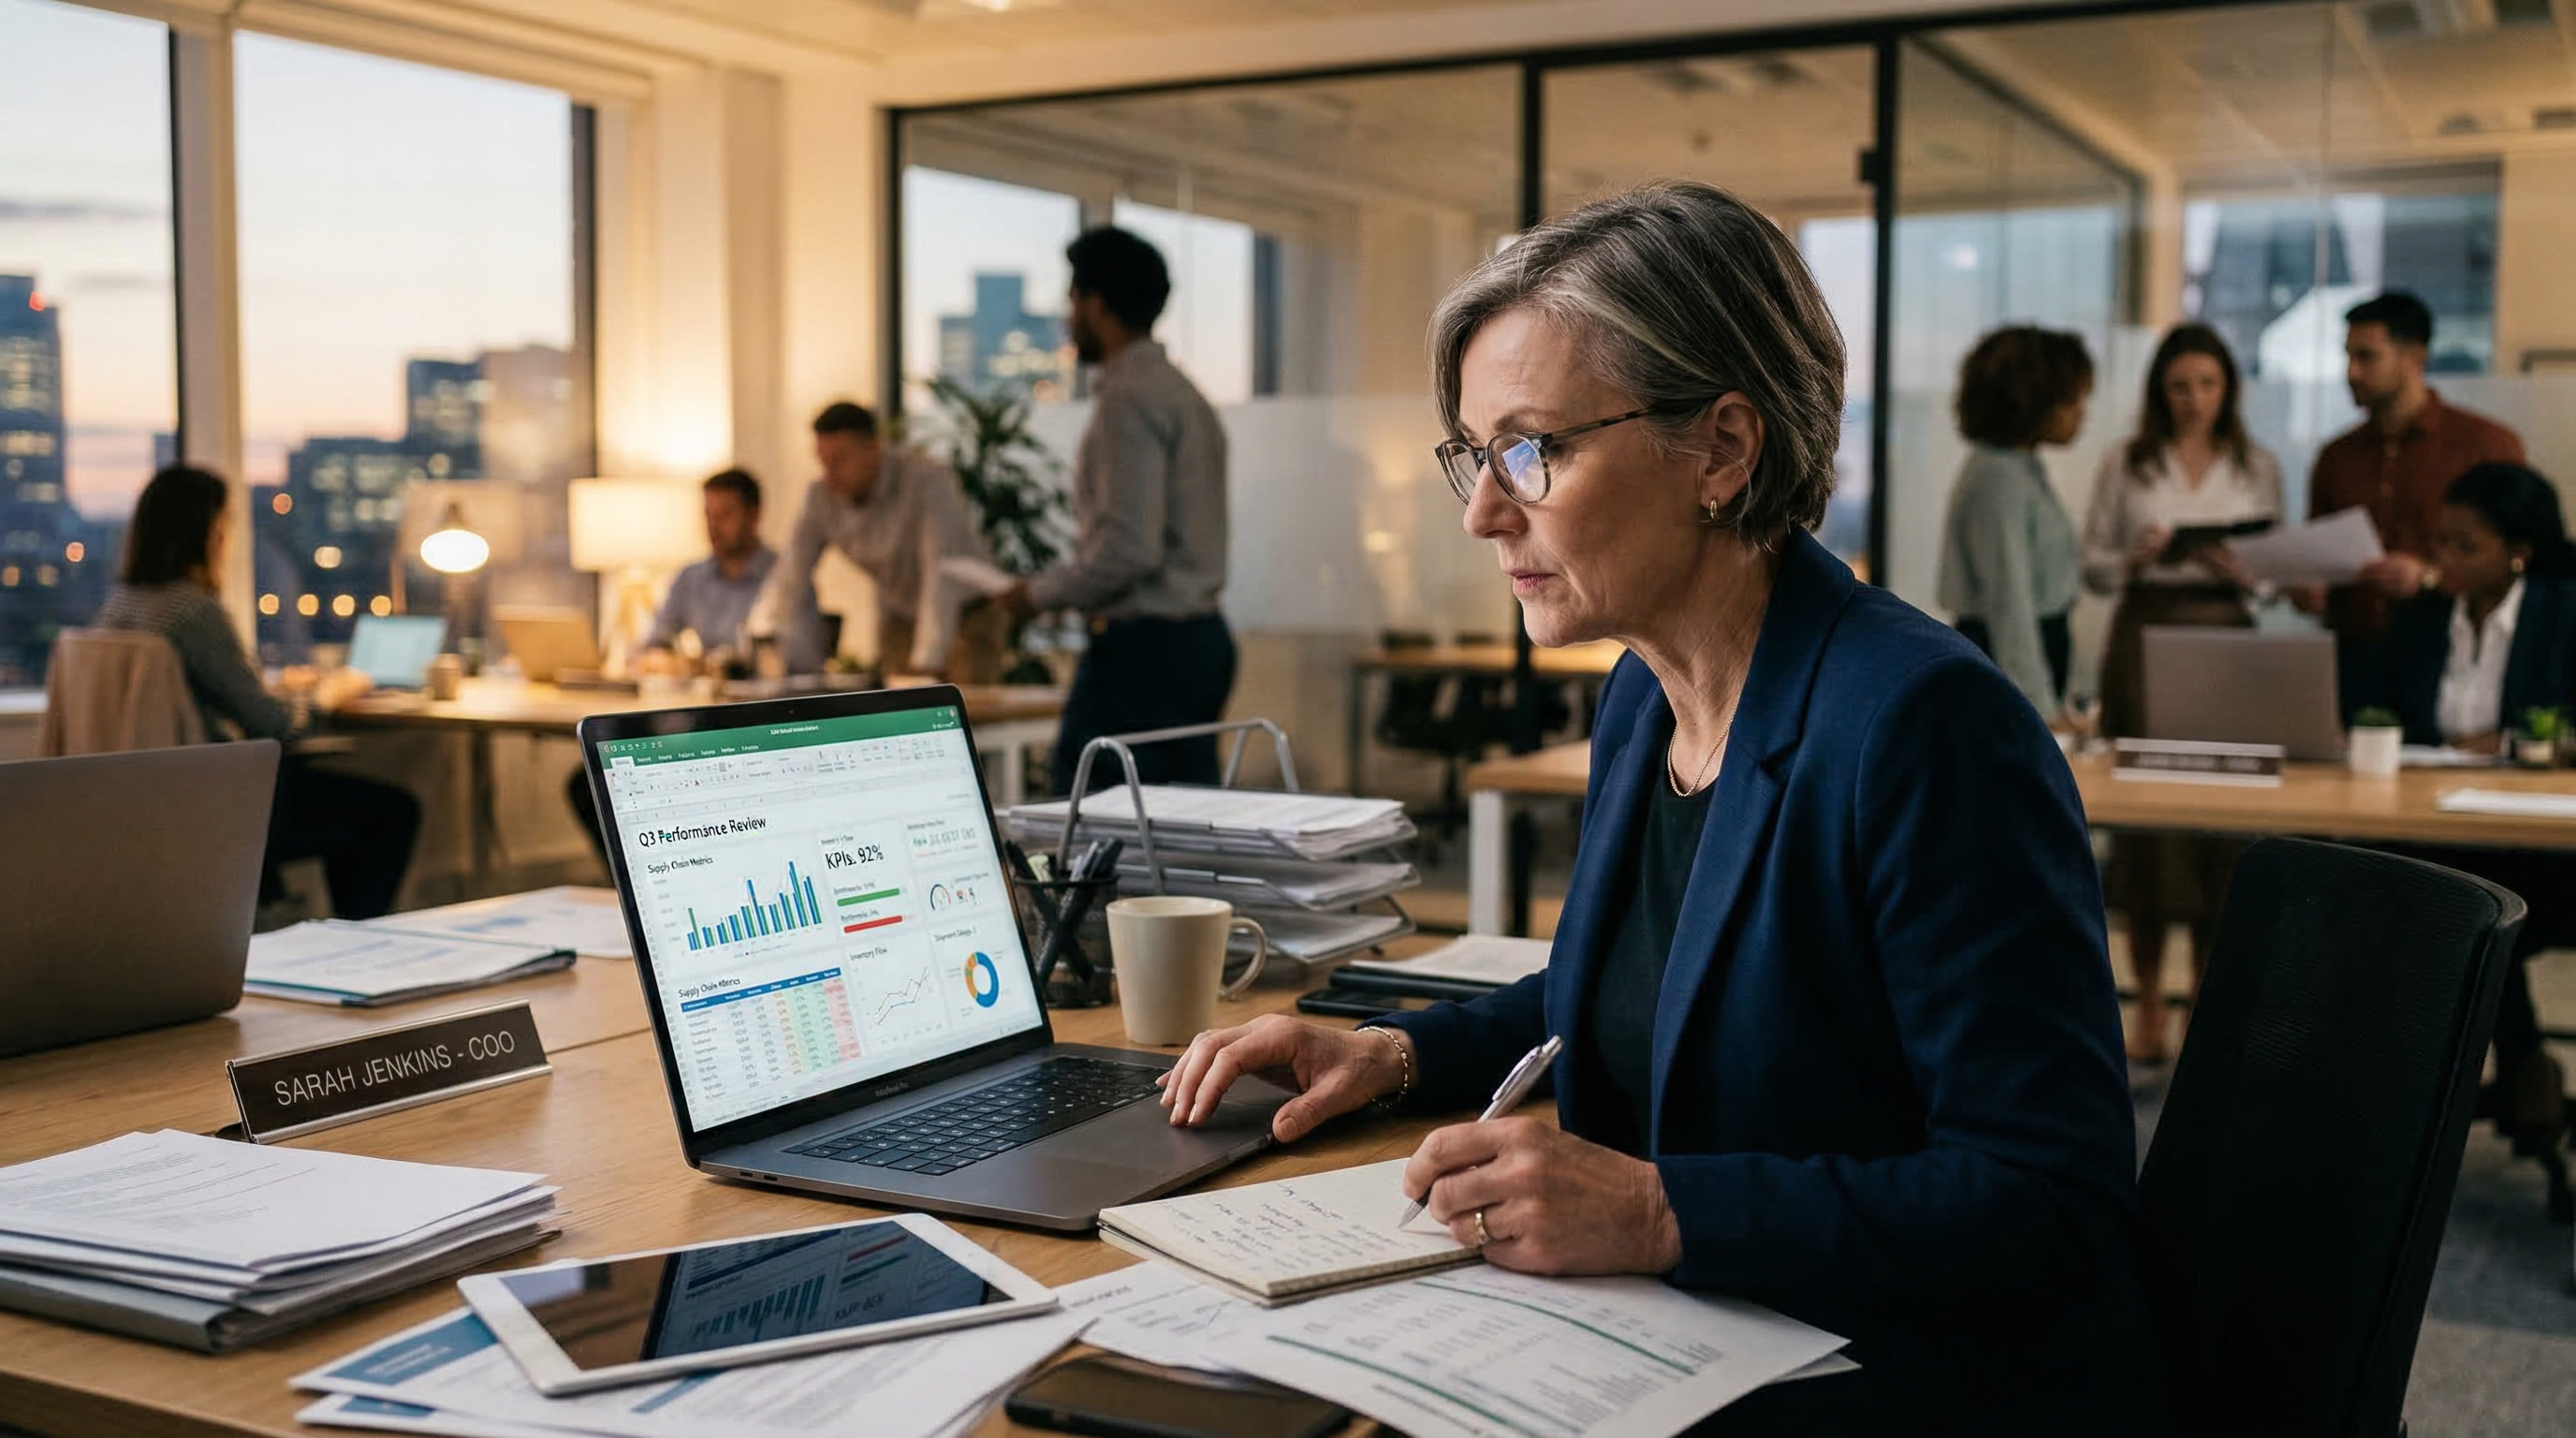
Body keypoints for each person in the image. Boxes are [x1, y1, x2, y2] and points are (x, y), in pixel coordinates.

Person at [1158, 182, 2164, 1432]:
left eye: (1535, 448)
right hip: (1687, 1338)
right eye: (1474, 454)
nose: (1483, 510)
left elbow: (2048, 1201)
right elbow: (1633, 993)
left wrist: (1657, 1211)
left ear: (1723, 452)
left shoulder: (1923, 726)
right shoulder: (1645, 694)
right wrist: (1394, 1055)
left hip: (1894, 1377)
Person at [2361, 462, 2576, 1189]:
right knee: (2434, 894)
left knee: (2479, 911)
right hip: (2435, 830)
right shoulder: (2423, 620)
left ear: (2518, 550)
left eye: (2464, 545)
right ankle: (2520, 1077)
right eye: (2440, 542)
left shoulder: (2562, 612)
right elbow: (2385, 712)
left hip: (2544, 852)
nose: (2442, 559)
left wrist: (2515, 744)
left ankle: (2488, 1083)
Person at [2078, 324, 2284, 1064]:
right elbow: (2094, 567)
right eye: (2179, 386)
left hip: (2227, 634)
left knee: (2220, 824)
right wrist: (2132, 557)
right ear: (2159, 392)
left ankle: (2205, 995)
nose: (2194, 400)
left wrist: (2247, 572)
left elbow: (2275, 571)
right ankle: (2151, 1005)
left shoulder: (2255, 465)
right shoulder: (2127, 463)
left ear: (2228, 389)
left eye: (2207, 384)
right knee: (2149, 826)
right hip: (2146, 629)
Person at [92, 464, 421, 919]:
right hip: (223, 802)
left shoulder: (121, 604)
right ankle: (358, 945)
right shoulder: (192, 610)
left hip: (149, 798)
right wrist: (326, 695)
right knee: (391, 813)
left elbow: (195, 694)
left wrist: (270, 687)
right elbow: (274, 723)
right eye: (224, 526)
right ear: (206, 532)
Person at [997, 227, 1234, 795]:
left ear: (1095, 303)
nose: (1070, 315)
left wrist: (1034, 595)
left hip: (1144, 654)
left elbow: (1129, 549)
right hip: (1197, 642)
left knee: (1089, 828)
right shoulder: (1183, 393)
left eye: (1073, 300)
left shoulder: (1129, 400)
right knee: (1186, 836)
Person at [2305, 291, 2525, 714]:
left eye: (2367, 357)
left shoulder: (2483, 445)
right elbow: (2317, 552)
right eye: (2348, 357)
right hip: (2354, 654)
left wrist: (2428, 575)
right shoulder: (2337, 456)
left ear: (2414, 358)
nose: (2351, 372)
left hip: (2449, 653)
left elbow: (2519, 559)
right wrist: (2309, 586)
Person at [753, 402, 1003, 682]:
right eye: (823, 461)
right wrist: (764, 635)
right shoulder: (821, 497)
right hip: (901, 616)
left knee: (966, 711)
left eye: (839, 460)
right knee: (899, 715)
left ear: (874, 449)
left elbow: (940, 571)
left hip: (965, 615)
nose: (829, 474)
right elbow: (791, 572)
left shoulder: (928, 479)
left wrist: (929, 659)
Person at [1936, 325, 2094, 715]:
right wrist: (2041, 711)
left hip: (2024, 652)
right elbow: (2009, 607)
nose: (2081, 412)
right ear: (2037, 401)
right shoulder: (1999, 478)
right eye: (2072, 399)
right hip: (2003, 660)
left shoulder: (2020, 467)